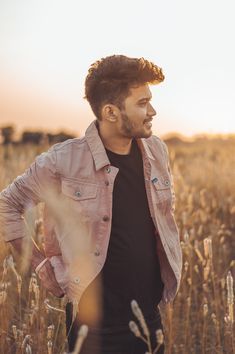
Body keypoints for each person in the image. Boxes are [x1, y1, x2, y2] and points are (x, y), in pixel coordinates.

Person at [0, 55, 182, 354]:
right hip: (93, 327)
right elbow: (8, 204)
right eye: (141, 103)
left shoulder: (157, 151)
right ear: (110, 112)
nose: (152, 111)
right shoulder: (63, 160)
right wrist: (42, 267)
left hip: (149, 316)